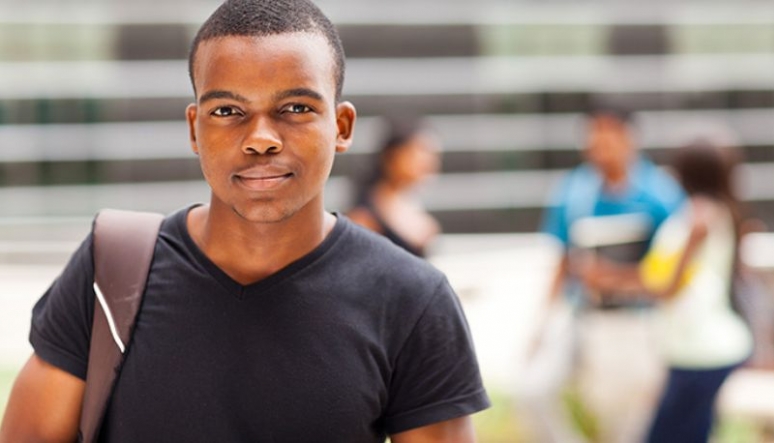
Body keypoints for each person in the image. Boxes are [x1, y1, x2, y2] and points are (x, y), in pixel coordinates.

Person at [0, 1, 490, 442]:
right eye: (228, 110)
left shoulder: (413, 299)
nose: (261, 139)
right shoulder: (111, 268)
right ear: (194, 128)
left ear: (341, 127)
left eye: (296, 108)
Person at [521, 104, 685, 443]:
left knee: (625, 421)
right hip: (581, 314)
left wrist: (615, 278)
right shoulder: (573, 191)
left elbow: (674, 271)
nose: (600, 146)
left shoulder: (660, 194)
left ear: (629, 138)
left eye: (608, 137)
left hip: (636, 323)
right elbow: (562, 261)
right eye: (593, 138)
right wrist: (541, 323)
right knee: (532, 390)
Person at [582, 140, 754, 443]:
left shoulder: (699, 219)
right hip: (700, 350)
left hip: (701, 352)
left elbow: (665, 286)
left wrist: (607, 278)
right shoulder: (708, 212)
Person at [347, 116, 442, 257]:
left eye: (432, 154)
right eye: (418, 152)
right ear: (391, 157)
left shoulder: (410, 203)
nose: (427, 162)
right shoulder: (364, 217)